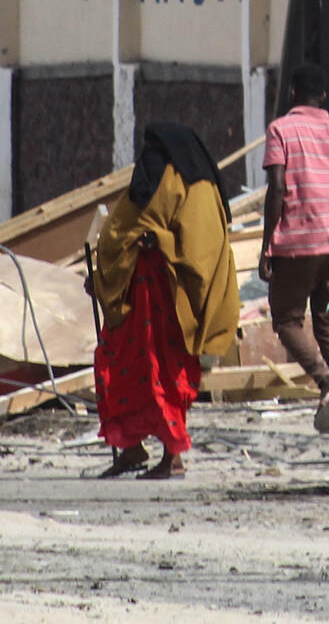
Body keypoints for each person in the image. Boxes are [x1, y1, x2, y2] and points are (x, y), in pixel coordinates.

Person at [88, 121, 240, 481]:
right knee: (126, 366)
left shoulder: (174, 181)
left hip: (163, 299)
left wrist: (158, 245)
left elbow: (191, 246)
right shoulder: (186, 182)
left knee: (160, 372)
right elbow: (126, 232)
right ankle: (131, 448)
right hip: (144, 300)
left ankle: (173, 456)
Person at [259, 66, 329, 390]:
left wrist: (266, 246)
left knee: (287, 321)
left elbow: (277, 188)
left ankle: (326, 380)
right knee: (327, 320)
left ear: (292, 93)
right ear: (324, 96)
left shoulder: (280, 130)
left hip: (297, 248)